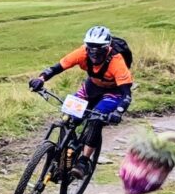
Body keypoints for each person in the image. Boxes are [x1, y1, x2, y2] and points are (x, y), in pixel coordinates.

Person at [28, 25, 132, 179]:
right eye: (91, 48)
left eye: (99, 49)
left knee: (97, 118)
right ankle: (64, 154)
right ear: (86, 46)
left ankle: (84, 161)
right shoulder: (81, 52)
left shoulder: (117, 61)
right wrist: (40, 79)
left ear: (107, 47)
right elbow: (56, 68)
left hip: (113, 92)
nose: (94, 53)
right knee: (70, 114)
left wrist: (119, 112)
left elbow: (126, 95)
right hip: (92, 87)